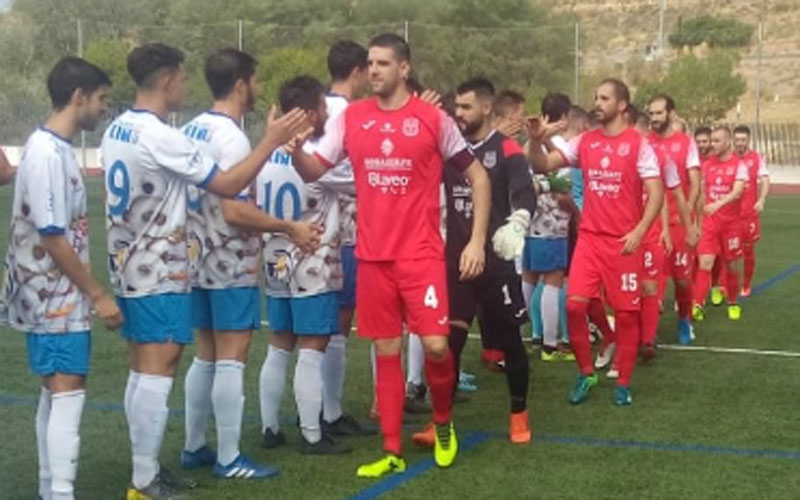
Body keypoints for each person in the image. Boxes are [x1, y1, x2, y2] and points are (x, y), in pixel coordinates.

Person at [101, 43, 307, 499]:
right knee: (211, 357)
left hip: (176, 260)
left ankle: (189, 447)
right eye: (254, 81)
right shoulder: (218, 136)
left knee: (187, 358)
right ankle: (216, 460)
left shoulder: (159, 127)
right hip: (207, 261)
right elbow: (232, 197)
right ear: (170, 79)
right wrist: (271, 145)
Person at [288, 33, 491, 478]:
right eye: (371, 63)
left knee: (437, 346)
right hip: (374, 256)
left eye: (383, 63)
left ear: (404, 68)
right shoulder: (352, 119)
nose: (374, 70)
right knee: (386, 350)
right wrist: (295, 151)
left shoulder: (433, 120)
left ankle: (442, 425)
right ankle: (392, 449)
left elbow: (478, 177)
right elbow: (315, 171)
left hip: (421, 256)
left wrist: (476, 241)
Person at [180, 48, 321, 480]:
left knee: (205, 355)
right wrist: (287, 226)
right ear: (241, 83)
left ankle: (193, 446)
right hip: (229, 262)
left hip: (195, 257)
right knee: (232, 357)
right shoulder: (234, 138)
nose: (259, 89)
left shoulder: (189, 128)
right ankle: (228, 456)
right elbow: (235, 212)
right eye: (256, 81)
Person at [0, 56, 122, 500]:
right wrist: (97, 294)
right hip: (53, 295)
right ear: (78, 97)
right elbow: (53, 238)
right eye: (101, 99)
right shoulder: (48, 153)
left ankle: (51, 490)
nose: (103, 108)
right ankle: (60, 493)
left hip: (49, 294)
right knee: (68, 388)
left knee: (57, 388)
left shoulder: (50, 148)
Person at [527, 78, 664, 406]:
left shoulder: (638, 144)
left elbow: (656, 192)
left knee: (627, 314)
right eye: (596, 98)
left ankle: (624, 383)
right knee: (575, 304)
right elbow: (543, 165)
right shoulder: (586, 142)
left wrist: (639, 231)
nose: (597, 103)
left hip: (623, 243)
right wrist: (535, 141)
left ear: (622, 106)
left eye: (604, 98)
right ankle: (586, 373)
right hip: (589, 237)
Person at [424, 77, 534, 444]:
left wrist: (517, 223)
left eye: (466, 107)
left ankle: (519, 412)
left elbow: (525, 193)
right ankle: (442, 420)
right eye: (456, 107)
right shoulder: (448, 149)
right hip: (456, 262)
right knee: (448, 345)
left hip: (496, 263)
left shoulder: (506, 150)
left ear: (486, 108)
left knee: (509, 343)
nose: (459, 113)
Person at [257, 75, 355, 456]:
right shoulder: (318, 159)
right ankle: (312, 433)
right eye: (323, 107)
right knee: (313, 346)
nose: (329, 113)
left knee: (279, 344)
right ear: (311, 112)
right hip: (312, 264)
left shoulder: (265, 152)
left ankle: (269, 427)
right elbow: (361, 180)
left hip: (275, 261)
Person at [316, 40, 375, 437]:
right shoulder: (349, 114)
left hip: (322, 229)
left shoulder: (315, 107)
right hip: (348, 232)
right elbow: (323, 170)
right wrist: (369, 184)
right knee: (339, 320)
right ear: (357, 71)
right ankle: (330, 411)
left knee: (330, 323)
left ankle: (325, 408)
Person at [523, 92, 576, 361]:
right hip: (552, 225)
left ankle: (531, 334)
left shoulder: (530, 143)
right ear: (564, 116)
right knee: (553, 280)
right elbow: (562, 192)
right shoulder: (558, 147)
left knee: (530, 277)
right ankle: (550, 345)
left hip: (530, 222)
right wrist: (576, 212)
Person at [645, 94, 700, 348]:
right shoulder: (644, 143)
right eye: (652, 113)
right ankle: (649, 334)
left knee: (682, 280)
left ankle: (684, 318)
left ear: (671, 113)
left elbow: (694, 182)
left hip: (678, 223)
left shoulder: (685, 143)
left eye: (659, 113)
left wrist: (689, 220)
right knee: (652, 281)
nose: (654, 118)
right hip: (651, 223)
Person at [692, 126, 748, 322]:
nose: (712, 145)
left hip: (731, 225)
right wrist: (698, 220)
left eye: (716, 141)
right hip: (710, 224)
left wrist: (718, 204)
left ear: (727, 142)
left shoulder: (739, 165)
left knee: (732, 266)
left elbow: (737, 192)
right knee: (705, 262)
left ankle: (732, 302)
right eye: (712, 141)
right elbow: (701, 193)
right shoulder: (707, 165)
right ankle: (697, 304)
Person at [732, 125, 770, 297]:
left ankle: (746, 285)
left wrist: (761, 199)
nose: (740, 143)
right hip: (729, 215)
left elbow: (764, 179)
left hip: (748, 215)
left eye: (743, 140)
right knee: (728, 253)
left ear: (748, 140)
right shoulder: (728, 158)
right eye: (737, 139)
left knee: (748, 251)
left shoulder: (756, 158)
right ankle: (727, 285)